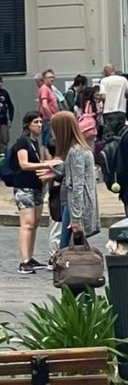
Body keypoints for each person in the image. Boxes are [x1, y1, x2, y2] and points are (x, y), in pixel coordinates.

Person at [13, 112, 58, 274]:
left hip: (36, 186)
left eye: (40, 122)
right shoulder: (23, 142)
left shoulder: (35, 142)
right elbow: (24, 164)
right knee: (27, 223)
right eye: (36, 122)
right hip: (23, 187)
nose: (39, 125)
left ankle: (30, 258)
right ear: (27, 125)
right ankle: (24, 261)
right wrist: (46, 165)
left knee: (35, 223)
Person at [50, 112, 99, 251]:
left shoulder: (75, 151)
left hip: (73, 206)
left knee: (66, 249)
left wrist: (76, 217)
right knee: (69, 248)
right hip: (71, 203)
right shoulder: (78, 149)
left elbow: (78, 185)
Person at [98, 64, 128, 141]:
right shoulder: (123, 80)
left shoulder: (104, 81)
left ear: (105, 72)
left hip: (109, 111)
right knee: (120, 135)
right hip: (121, 111)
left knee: (108, 137)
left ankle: (109, 151)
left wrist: (99, 98)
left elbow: (103, 96)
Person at [38, 69, 60, 145]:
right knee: (48, 142)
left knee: (50, 141)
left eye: (53, 77)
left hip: (51, 119)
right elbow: (44, 105)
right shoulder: (44, 89)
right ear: (44, 78)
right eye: (50, 77)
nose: (52, 79)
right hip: (48, 120)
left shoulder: (50, 88)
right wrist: (52, 117)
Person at [0, 75, 15, 154]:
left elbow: (11, 107)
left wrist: (10, 119)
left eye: (1, 82)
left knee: (4, 140)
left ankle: (3, 158)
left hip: (3, 121)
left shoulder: (4, 93)